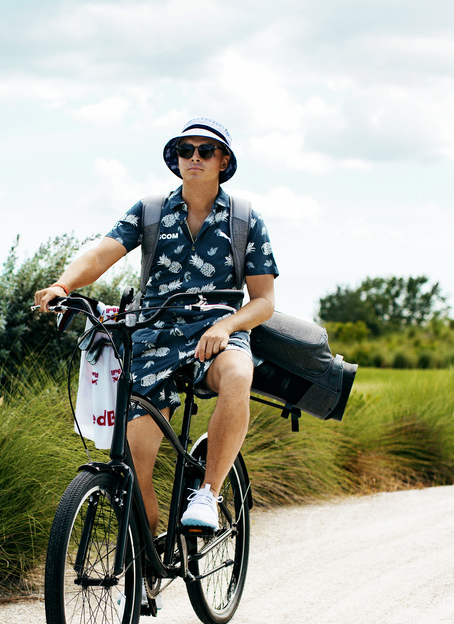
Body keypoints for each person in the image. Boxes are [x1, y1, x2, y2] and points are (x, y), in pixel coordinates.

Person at [35, 117, 278, 533]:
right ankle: (145, 579)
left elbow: (264, 303)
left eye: (206, 151)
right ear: (176, 159)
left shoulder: (245, 220)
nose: (195, 158)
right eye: (186, 150)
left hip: (218, 334)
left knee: (239, 373)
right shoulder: (149, 212)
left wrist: (225, 327)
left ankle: (208, 493)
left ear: (223, 161)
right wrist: (63, 285)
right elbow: (101, 255)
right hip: (154, 337)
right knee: (135, 470)